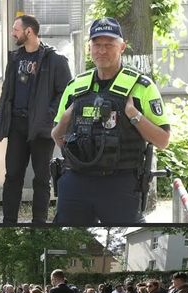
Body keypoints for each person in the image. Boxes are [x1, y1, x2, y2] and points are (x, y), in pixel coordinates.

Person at [51, 17, 171, 223]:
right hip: (77, 180)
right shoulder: (75, 87)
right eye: (97, 45)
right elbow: (56, 136)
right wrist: (65, 119)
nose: (102, 50)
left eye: (109, 45)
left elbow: (163, 141)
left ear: (122, 47)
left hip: (120, 183)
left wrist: (134, 116)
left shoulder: (141, 86)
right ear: (89, 48)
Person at [0, 14, 71, 224]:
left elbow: (66, 92)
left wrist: (48, 114)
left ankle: (39, 223)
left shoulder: (55, 60)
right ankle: (9, 222)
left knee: (41, 179)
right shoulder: (15, 58)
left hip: (42, 128)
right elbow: (7, 90)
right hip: (17, 126)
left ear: (29, 31)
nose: (13, 33)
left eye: (15, 29)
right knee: (13, 176)